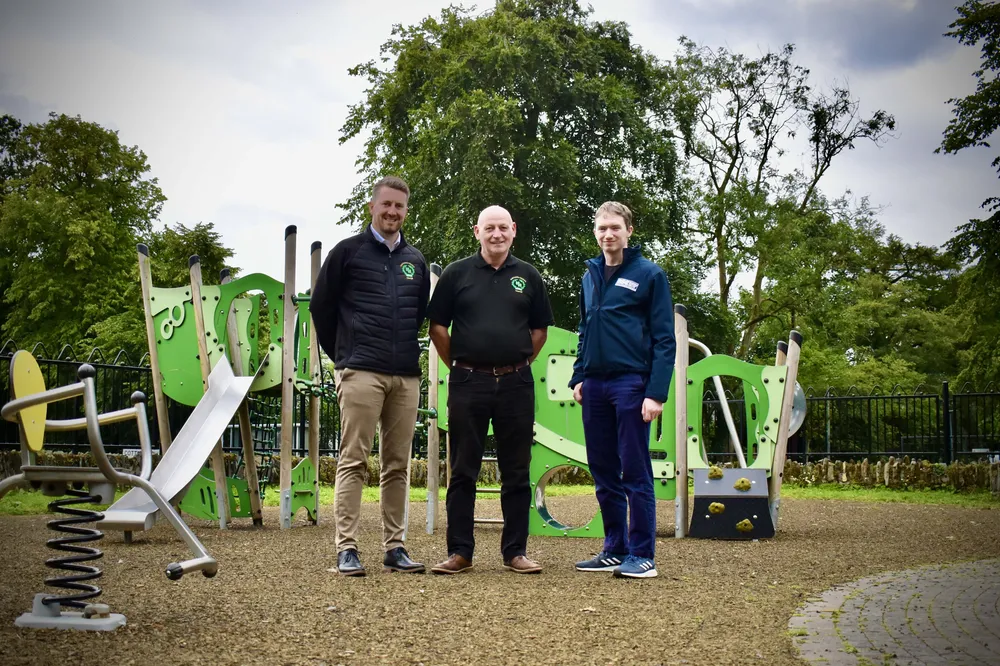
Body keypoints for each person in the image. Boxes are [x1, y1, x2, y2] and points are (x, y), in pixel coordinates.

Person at [310, 176, 430, 576]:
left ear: (406, 210)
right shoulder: (347, 252)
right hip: (361, 371)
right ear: (372, 207)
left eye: (400, 206)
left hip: (405, 377)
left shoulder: (416, 261)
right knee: (353, 460)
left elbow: (419, 315)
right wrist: (344, 358)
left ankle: (395, 547)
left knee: (398, 465)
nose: (393, 212)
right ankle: (346, 548)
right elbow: (321, 309)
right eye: (386, 205)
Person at [426, 205, 554, 575]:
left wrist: (515, 363)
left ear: (513, 230)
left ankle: (515, 551)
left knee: (517, 470)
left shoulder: (528, 276)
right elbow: (437, 327)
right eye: (489, 228)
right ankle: (460, 552)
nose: (496, 234)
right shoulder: (456, 274)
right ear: (476, 231)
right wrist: (463, 366)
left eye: (503, 227)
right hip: (468, 383)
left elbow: (540, 329)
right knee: (463, 470)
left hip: (516, 383)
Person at [569, 201, 675, 579]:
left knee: (634, 470)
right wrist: (578, 377)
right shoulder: (590, 275)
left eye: (615, 227)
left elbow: (665, 339)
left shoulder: (649, 275)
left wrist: (656, 393)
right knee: (603, 469)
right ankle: (614, 548)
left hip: (632, 384)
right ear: (595, 232)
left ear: (629, 231)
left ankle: (642, 555)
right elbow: (585, 328)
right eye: (601, 228)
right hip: (595, 386)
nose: (608, 234)